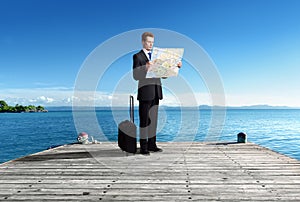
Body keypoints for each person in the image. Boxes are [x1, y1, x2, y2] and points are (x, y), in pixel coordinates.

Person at [132, 32, 181, 155]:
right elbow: (135, 76)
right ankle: (143, 148)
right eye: (148, 42)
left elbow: (163, 75)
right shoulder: (137, 57)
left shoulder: (157, 57)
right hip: (145, 92)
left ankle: (152, 145)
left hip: (156, 92)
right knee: (144, 122)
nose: (150, 44)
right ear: (143, 42)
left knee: (153, 121)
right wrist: (146, 68)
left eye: (152, 42)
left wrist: (175, 67)